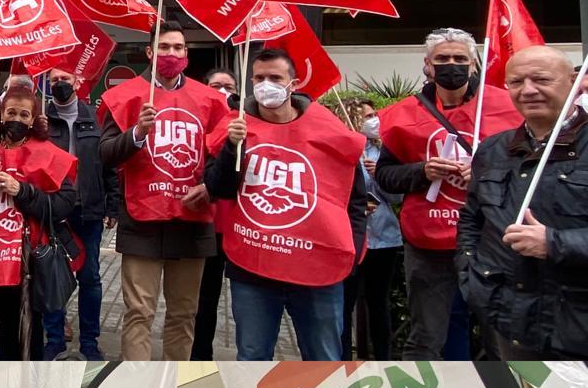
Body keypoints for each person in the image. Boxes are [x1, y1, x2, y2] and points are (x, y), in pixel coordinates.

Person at [205, 48, 367, 360]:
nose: (266, 84)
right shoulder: (237, 126)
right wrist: (231, 147)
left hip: (317, 270)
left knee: (323, 359)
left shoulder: (328, 130)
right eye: (259, 78)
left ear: (292, 84)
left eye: (275, 78)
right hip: (253, 269)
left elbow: (354, 198)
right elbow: (219, 188)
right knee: (252, 356)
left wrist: (352, 250)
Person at [376, 28, 520, 359]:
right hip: (429, 242)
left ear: (473, 65)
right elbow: (385, 176)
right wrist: (421, 171)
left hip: (491, 238)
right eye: (442, 59)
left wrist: (487, 175)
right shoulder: (403, 115)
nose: (450, 65)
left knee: (500, 336)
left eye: (459, 59)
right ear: (427, 65)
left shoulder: (507, 108)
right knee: (426, 337)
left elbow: (532, 171)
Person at [99, 20, 228, 360]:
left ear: (187, 53)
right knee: (139, 313)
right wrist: (137, 134)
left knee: (184, 314)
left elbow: (221, 156)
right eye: (164, 47)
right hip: (142, 219)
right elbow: (106, 153)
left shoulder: (210, 100)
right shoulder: (123, 97)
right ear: (149, 52)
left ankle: (173, 386)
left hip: (192, 220)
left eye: (178, 48)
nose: (172, 54)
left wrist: (209, 187)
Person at [459, 44, 588, 359]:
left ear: (574, 81)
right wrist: (470, 276)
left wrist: (554, 243)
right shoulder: (493, 150)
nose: (528, 90)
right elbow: (472, 219)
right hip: (512, 323)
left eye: (541, 79)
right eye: (516, 82)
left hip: (579, 322)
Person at [0, 85, 77, 360]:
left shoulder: (47, 152)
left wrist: (23, 191)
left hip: (24, 260)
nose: (17, 120)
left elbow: (64, 204)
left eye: (24, 114)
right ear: (0, 115)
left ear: (33, 119)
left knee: (19, 329)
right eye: (11, 112)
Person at [41, 67, 118, 360]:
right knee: (52, 276)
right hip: (53, 210)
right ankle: (55, 339)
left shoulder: (94, 118)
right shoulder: (42, 120)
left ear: (78, 81)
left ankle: (89, 341)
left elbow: (108, 163)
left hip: (88, 211)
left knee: (90, 277)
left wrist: (112, 204)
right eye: (55, 80)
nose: (60, 84)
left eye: (65, 79)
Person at [341, 98, 402, 360]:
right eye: (366, 116)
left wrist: (381, 175)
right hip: (351, 237)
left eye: (374, 114)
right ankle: (342, 360)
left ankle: (383, 359)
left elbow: (398, 197)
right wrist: (355, 206)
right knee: (344, 304)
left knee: (379, 303)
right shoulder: (342, 152)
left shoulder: (382, 152)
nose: (373, 120)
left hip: (384, 238)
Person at [191, 68, 238, 360]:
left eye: (227, 86)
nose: (221, 90)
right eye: (214, 85)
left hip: (239, 225)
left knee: (246, 300)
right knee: (204, 298)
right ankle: (200, 357)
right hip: (206, 223)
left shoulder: (244, 124)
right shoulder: (197, 122)